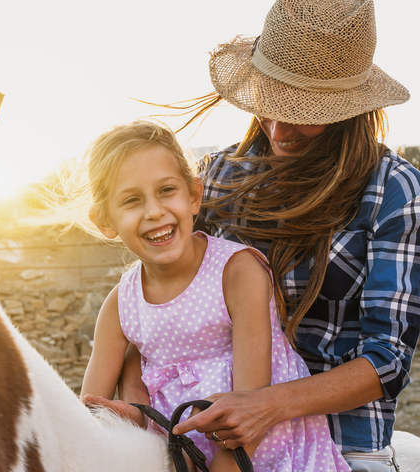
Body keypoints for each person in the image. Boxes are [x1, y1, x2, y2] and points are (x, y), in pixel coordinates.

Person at [106, 0, 420, 470]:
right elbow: (158, 303)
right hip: (205, 440)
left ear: (351, 108)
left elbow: (387, 361)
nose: (277, 128)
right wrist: (138, 395)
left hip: (342, 443)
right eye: (271, 101)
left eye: (303, 110)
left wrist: (266, 405)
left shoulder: (393, 190)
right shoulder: (217, 179)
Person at [75, 120, 350, 471]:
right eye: (131, 200)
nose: (154, 211)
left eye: (166, 191)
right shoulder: (120, 304)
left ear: (193, 196)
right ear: (104, 221)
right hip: (176, 460)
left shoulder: (237, 272)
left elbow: (249, 405)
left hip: (261, 452)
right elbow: (91, 413)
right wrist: (132, 422)